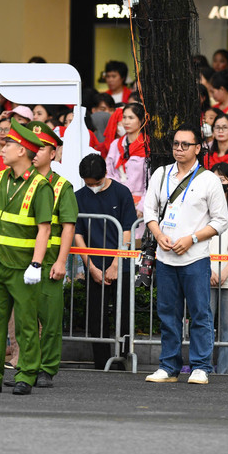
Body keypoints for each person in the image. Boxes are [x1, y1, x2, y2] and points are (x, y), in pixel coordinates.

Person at [0, 118, 53, 395]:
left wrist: (36, 264)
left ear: (23, 151)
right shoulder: (1, 178)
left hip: (22, 266)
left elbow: (44, 230)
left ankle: (26, 375)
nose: (2, 148)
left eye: (8, 144)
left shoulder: (40, 186)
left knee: (26, 325)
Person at [143, 125, 228, 386]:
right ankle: (168, 366)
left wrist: (192, 238)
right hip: (166, 255)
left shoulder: (208, 179)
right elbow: (148, 210)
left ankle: (201, 366)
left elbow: (221, 221)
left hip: (195, 257)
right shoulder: (161, 173)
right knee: (167, 313)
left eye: (185, 145)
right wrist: (158, 235)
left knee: (200, 313)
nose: (179, 149)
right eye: (176, 144)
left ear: (198, 148)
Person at [26, 121, 77, 387]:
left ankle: (46, 369)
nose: (34, 152)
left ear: (53, 153)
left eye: (41, 147)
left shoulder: (61, 187)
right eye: (31, 146)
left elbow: (68, 226)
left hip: (49, 262)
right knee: (25, 320)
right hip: (22, 261)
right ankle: (27, 368)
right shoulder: (21, 182)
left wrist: (61, 261)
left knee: (50, 319)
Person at [74, 155, 137, 369]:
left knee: (124, 316)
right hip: (94, 265)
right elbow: (78, 234)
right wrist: (90, 266)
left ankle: (122, 359)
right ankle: (101, 362)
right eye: (87, 183)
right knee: (96, 317)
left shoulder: (121, 193)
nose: (91, 187)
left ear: (104, 176)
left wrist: (116, 264)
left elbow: (127, 230)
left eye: (95, 183)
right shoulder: (79, 197)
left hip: (122, 264)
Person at [208, 163, 228, 374]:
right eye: (215, 178)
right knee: (205, 326)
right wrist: (208, 271)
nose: (220, 183)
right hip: (206, 273)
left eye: (224, 178)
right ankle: (203, 367)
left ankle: (224, 371)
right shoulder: (204, 207)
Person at [105, 103, 148, 217]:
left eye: (131, 118)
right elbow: (109, 173)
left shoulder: (148, 146)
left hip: (139, 205)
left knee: (136, 234)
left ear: (142, 120)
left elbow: (150, 181)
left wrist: (142, 206)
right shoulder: (116, 145)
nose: (126, 122)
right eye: (124, 117)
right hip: (117, 201)